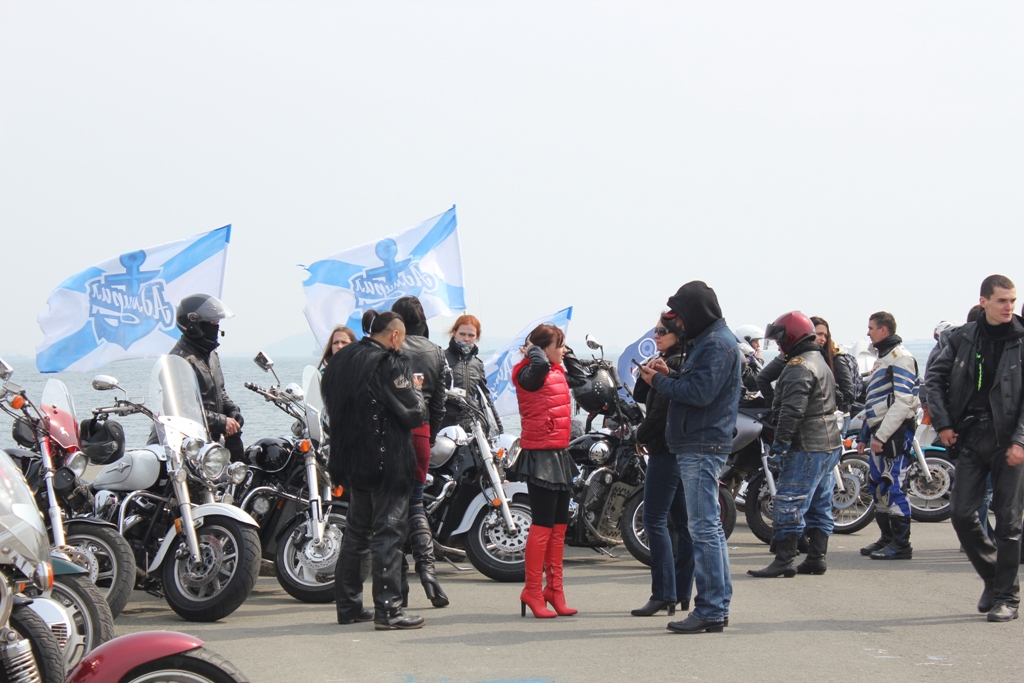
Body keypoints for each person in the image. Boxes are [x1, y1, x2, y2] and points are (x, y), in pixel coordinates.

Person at [637, 281, 741, 634]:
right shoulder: (716, 341)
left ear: (693, 314)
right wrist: (671, 374)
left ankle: (710, 609)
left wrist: (661, 382)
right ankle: (716, 606)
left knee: (703, 529)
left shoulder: (714, 344)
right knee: (705, 527)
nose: (676, 325)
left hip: (700, 444)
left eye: (679, 317)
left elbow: (698, 394)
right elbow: (699, 386)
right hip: (702, 442)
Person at [926, 275, 1024, 622]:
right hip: (969, 435)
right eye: (1001, 301)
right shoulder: (960, 338)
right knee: (962, 514)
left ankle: (1007, 598)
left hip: (1008, 438)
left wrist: (1019, 440)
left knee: (1009, 523)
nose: (1009, 306)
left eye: (1012, 300)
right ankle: (994, 578)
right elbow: (934, 381)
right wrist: (944, 425)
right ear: (983, 301)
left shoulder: (1022, 339)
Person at [323, 309, 427, 630]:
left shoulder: (341, 360)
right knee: (388, 533)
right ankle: (389, 610)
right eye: (402, 337)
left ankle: (349, 606)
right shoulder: (390, 363)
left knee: (356, 534)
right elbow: (414, 413)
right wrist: (416, 388)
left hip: (353, 459)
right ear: (395, 335)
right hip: (387, 460)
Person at [748, 312, 843, 578]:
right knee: (821, 503)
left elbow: (791, 412)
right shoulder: (819, 360)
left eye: (781, 339)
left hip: (807, 446)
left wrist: (779, 445)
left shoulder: (798, 366)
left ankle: (784, 560)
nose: (779, 346)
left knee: (789, 501)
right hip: (829, 445)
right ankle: (816, 557)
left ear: (791, 337)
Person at [508, 324, 586, 618]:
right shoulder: (528, 372)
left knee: (558, 526)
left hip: (558, 452)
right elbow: (537, 365)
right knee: (542, 525)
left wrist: (568, 354)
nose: (563, 349)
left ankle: (555, 589)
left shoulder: (555, 370)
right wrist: (535, 351)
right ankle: (532, 590)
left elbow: (581, 381)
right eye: (560, 344)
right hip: (539, 455)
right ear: (541, 349)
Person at [630, 312, 694, 616]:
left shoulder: (677, 363)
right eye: (655, 331)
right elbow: (641, 394)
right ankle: (681, 592)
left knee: (654, 519)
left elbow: (657, 413)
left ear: (676, 334)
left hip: (665, 449)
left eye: (661, 331)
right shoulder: (672, 360)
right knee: (682, 524)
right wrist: (651, 371)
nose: (656, 335)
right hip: (678, 449)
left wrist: (639, 436)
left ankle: (664, 593)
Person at [390, 296, 449, 608]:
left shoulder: (390, 346)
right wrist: (428, 433)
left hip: (392, 435)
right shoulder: (436, 352)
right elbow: (439, 405)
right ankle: (428, 572)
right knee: (415, 505)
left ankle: (399, 583)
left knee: (389, 512)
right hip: (422, 434)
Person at [856, 311, 921, 561]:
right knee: (877, 487)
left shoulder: (901, 358)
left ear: (884, 330)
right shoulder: (883, 359)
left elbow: (903, 401)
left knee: (893, 486)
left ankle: (902, 545)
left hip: (894, 434)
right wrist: (864, 435)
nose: (868, 333)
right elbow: (874, 403)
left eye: (871, 327)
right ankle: (887, 538)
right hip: (879, 432)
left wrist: (881, 436)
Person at [170, 294, 245, 462]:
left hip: (209, 442)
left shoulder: (210, 355)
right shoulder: (179, 360)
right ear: (193, 324)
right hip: (186, 445)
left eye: (217, 323)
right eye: (212, 323)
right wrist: (221, 421)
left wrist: (233, 411)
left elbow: (219, 392)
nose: (216, 327)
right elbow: (181, 408)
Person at [441, 315, 503, 435]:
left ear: (477, 337)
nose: (466, 339)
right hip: (445, 425)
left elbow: (486, 398)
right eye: (462, 334)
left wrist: (500, 429)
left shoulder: (477, 364)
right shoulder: (442, 358)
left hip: (473, 426)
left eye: (471, 335)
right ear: (454, 333)